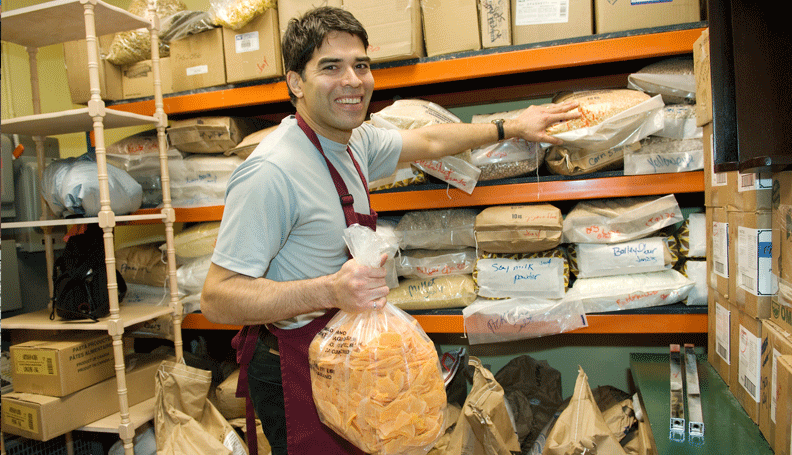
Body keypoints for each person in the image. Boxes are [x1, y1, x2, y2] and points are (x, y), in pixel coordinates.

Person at [200, 6, 579, 455]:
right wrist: (328, 290)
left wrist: (510, 126)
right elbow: (217, 297)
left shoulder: (353, 139)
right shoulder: (272, 170)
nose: (353, 80)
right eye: (331, 67)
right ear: (295, 83)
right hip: (293, 366)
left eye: (361, 65)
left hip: (345, 356)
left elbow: (432, 141)